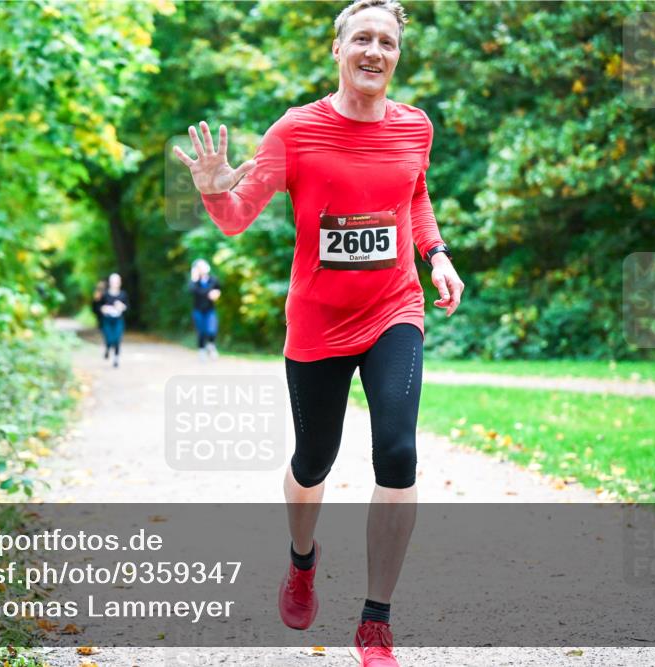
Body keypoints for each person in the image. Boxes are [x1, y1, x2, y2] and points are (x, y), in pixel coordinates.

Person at [172, 1, 465, 664]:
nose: (374, 51)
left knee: (397, 451)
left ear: (397, 55)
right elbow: (236, 217)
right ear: (337, 50)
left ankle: (375, 619)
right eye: (361, 38)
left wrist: (437, 251)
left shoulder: (415, 127)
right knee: (314, 460)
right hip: (318, 324)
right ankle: (302, 559)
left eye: (386, 42)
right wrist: (217, 190)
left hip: (394, 309)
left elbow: (414, 193)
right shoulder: (296, 131)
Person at [188, 259, 221, 361]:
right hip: (198, 310)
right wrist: (194, 279)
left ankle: (211, 345)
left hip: (210, 310)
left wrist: (217, 294)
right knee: (201, 332)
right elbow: (193, 291)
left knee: (212, 330)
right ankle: (201, 350)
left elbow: (218, 289)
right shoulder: (195, 282)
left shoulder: (213, 279)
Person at [95, 273, 128, 368]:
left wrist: (122, 306)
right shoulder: (104, 295)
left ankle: (116, 358)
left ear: (120, 283)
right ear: (110, 283)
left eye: (117, 281)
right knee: (109, 339)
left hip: (118, 319)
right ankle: (108, 348)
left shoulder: (123, 294)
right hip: (107, 320)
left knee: (117, 338)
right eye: (113, 282)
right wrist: (102, 308)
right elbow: (97, 306)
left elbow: (127, 307)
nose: (115, 283)